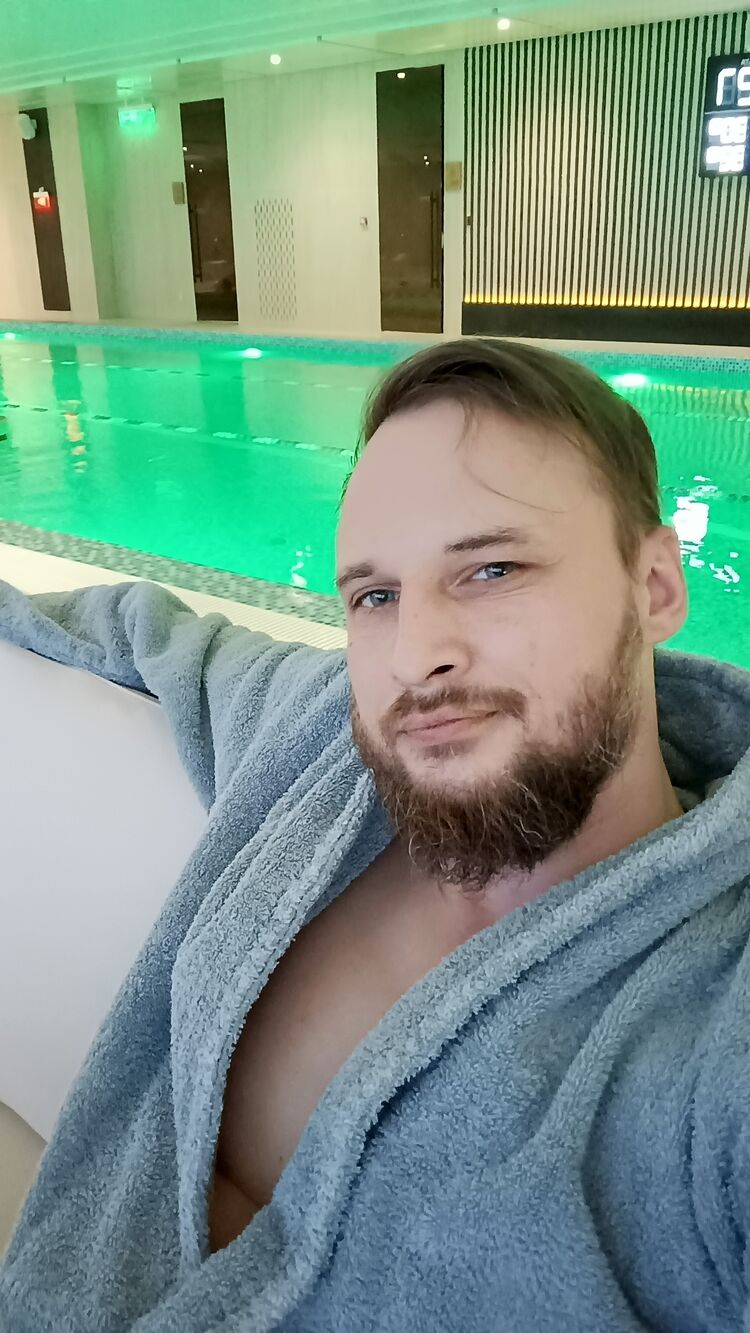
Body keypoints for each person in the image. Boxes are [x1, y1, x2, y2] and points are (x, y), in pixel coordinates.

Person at [0, 338, 748, 1333]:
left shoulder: (714, 1021)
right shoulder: (326, 738)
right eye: (376, 596)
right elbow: (151, 629)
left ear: (654, 587)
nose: (414, 656)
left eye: (492, 568)